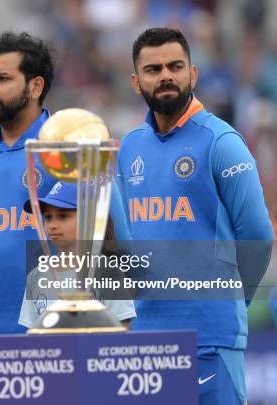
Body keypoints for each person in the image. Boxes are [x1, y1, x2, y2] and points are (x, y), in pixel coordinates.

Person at [118, 27, 274, 405]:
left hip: (210, 337)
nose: (166, 75)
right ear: (137, 83)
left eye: (175, 66)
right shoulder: (128, 148)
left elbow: (258, 234)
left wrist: (230, 298)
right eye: (153, 69)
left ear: (193, 74)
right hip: (145, 340)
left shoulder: (222, 142)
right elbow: (121, 241)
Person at [0, 32, 130, 334]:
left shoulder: (72, 144)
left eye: (2, 78)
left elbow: (119, 239)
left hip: (66, 331)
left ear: (35, 86)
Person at [18, 182, 136, 329]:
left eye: (63, 216)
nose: (52, 225)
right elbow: (33, 336)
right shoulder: (35, 276)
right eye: (48, 217)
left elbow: (121, 334)